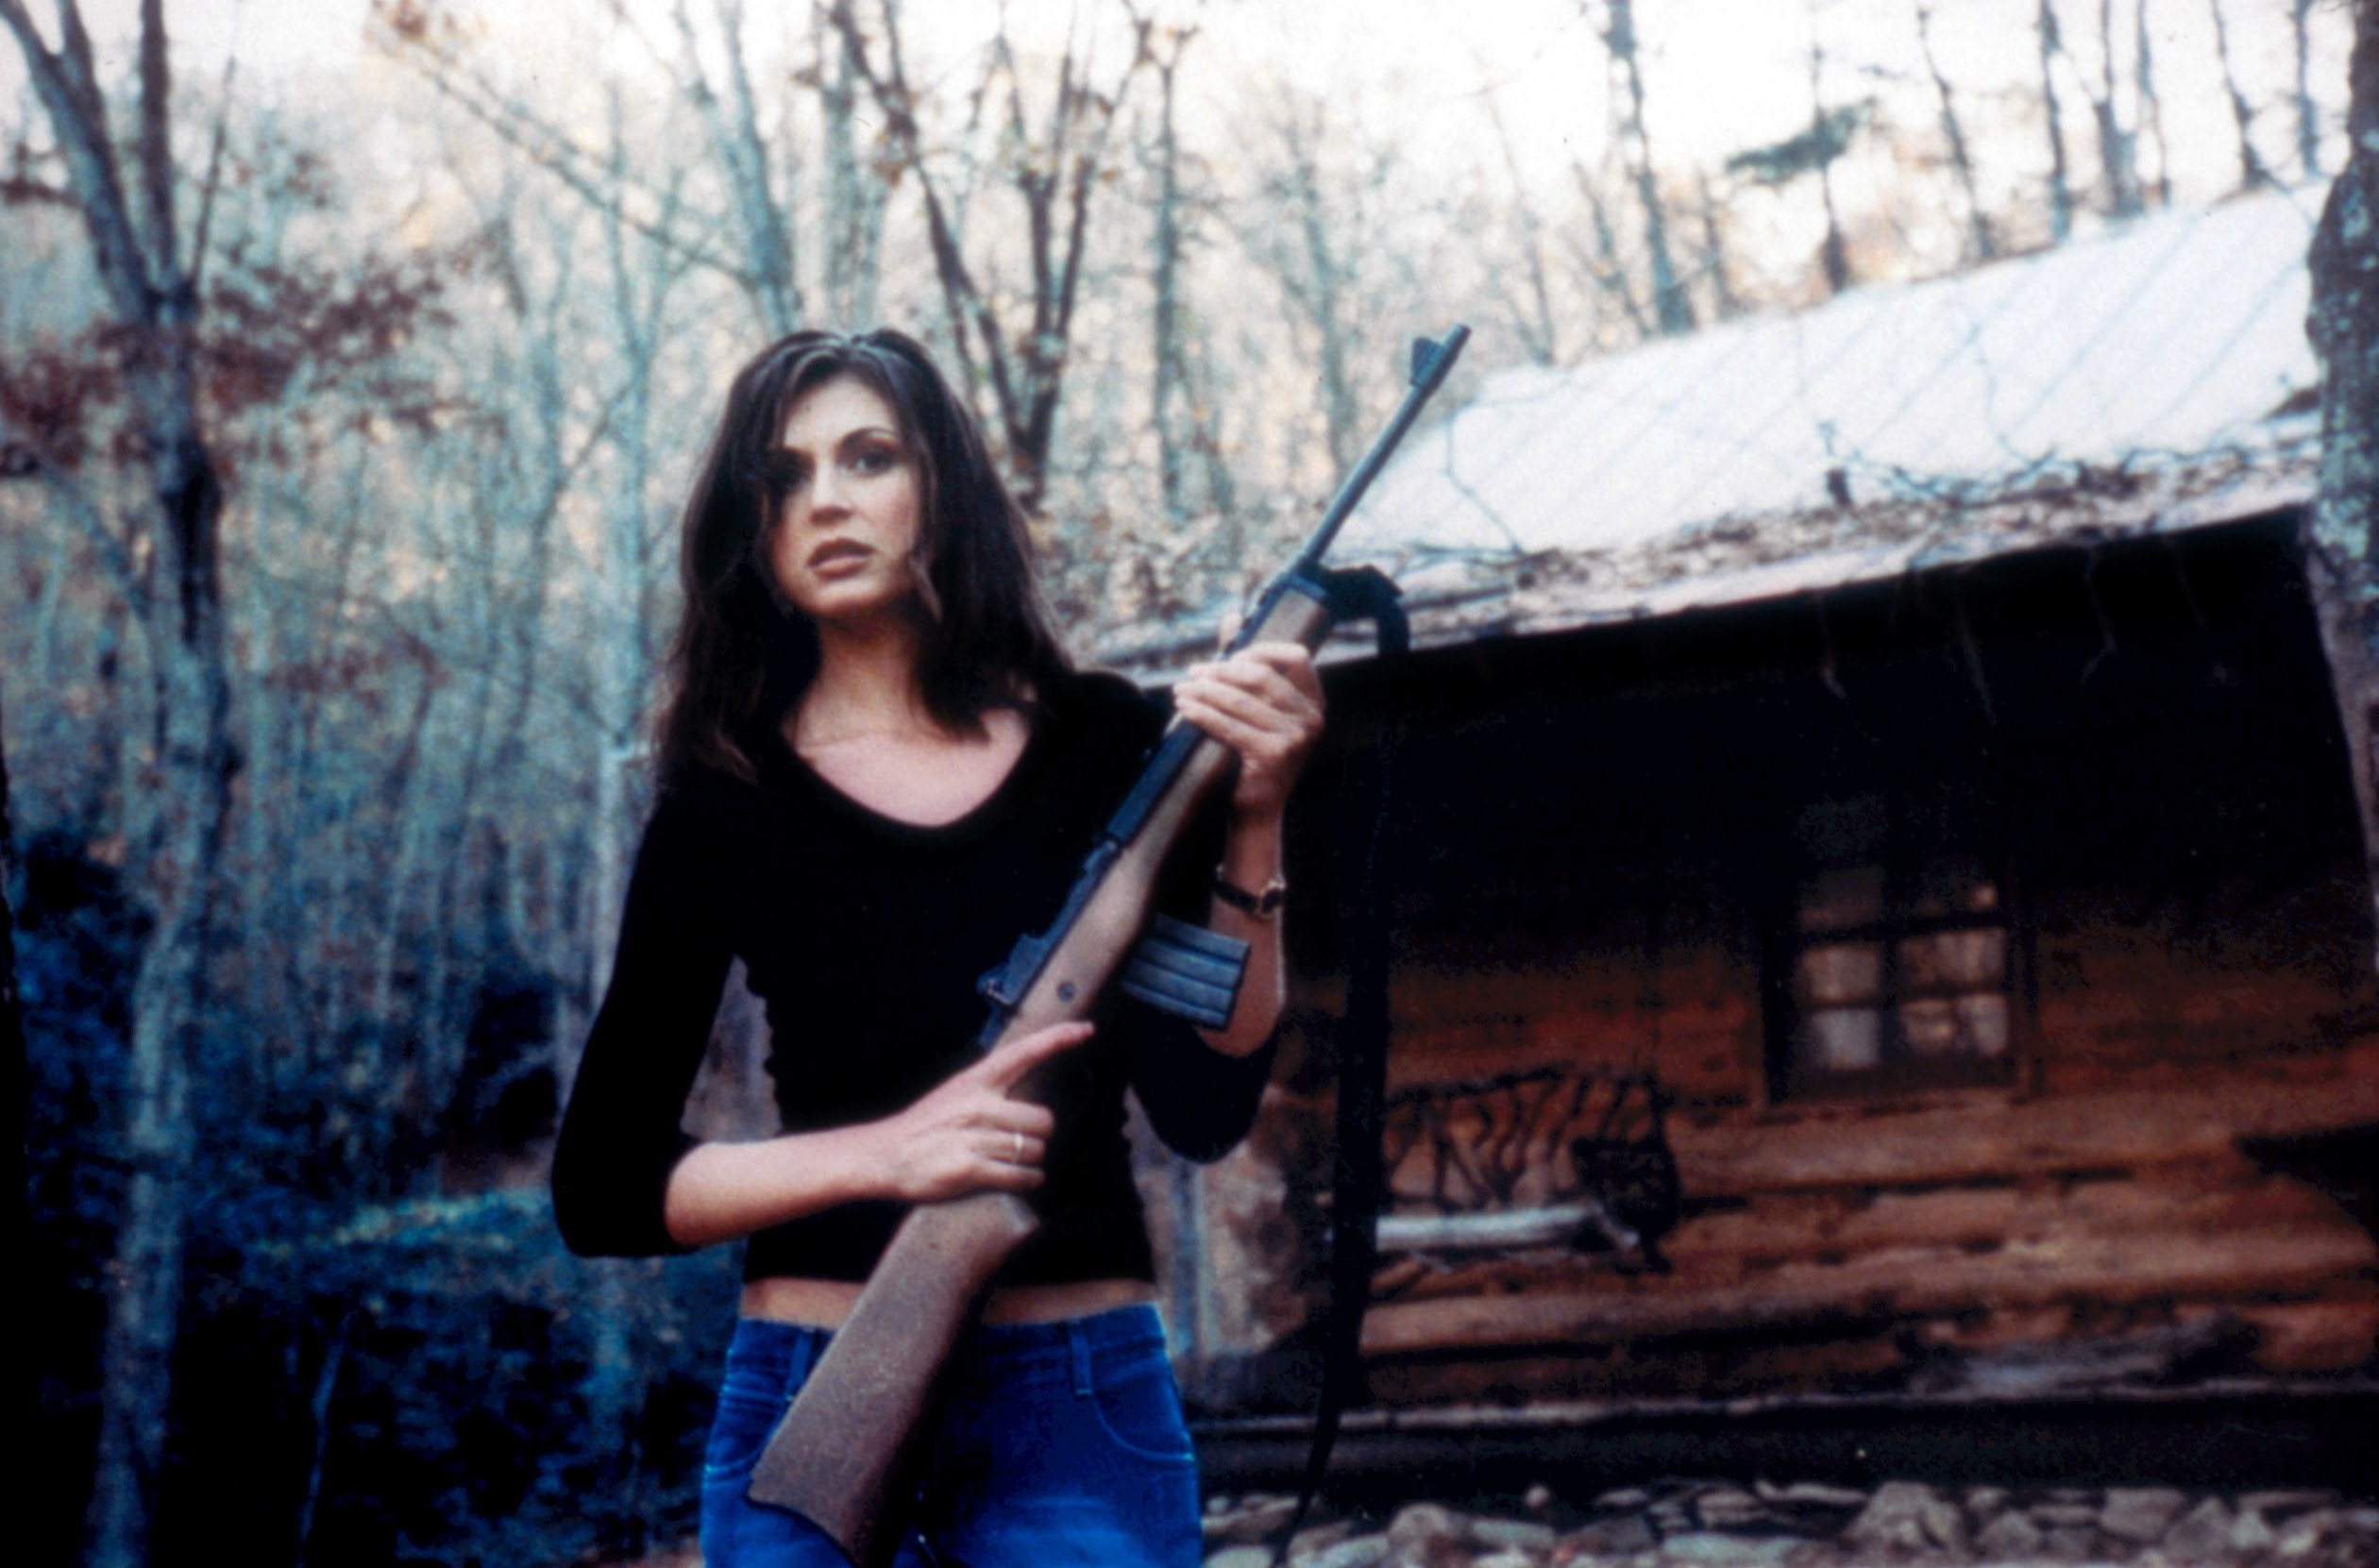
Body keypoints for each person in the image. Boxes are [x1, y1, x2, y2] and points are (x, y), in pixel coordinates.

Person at [551, 329, 1323, 1568]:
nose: (829, 499)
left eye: (869, 457)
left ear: (940, 486)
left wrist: (1256, 816)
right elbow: (601, 1184)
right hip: (813, 1387)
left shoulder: (1108, 741)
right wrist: (887, 1155)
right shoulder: (725, 789)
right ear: (749, 527)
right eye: (785, 475)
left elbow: (1206, 1100)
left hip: (1077, 1404)